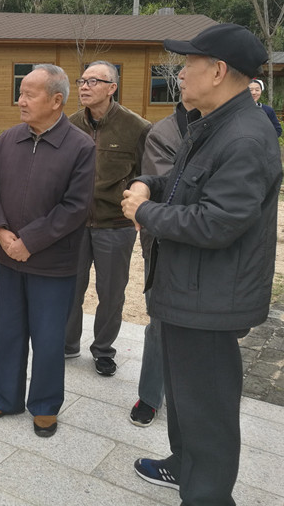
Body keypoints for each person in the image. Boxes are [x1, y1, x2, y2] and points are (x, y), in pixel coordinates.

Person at [122, 23, 281, 504]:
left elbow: (217, 222)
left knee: (207, 412)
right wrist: (149, 183)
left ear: (217, 71)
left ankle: (207, 494)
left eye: (189, 63)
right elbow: (184, 185)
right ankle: (182, 465)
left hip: (210, 299)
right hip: (186, 290)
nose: (180, 73)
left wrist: (143, 212)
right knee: (186, 399)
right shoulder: (211, 123)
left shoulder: (245, 137)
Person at [0, 64, 95, 438]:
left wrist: (29, 241)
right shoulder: (9, 140)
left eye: (29, 94)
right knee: (8, 332)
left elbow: (75, 207)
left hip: (53, 263)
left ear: (56, 100)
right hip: (9, 258)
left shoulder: (80, 147)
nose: (20, 101)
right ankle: (5, 397)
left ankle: (44, 405)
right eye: (20, 92)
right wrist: (2, 233)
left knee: (48, 338)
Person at [65, 60, 150, 376]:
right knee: (69, 288)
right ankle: (67, 343)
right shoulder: (70, 124)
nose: (84, 86)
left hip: (115, 225)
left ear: (112, 87)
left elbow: (147, 176)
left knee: (111, 294)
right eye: (82, 81)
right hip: (75, 224)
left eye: (93, 81)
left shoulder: (137, 127)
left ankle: (103, 350)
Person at [129, 101, 200, 428]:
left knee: (202, 325)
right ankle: (150, 395)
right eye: (182, 77)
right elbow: (171, 189)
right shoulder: (164, 132)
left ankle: (188, 393)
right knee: (160, 321)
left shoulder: (233, 126)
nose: (184, 79)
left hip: (210, 243)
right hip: (164, 242)